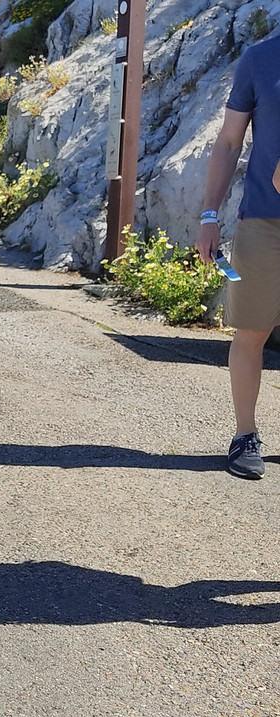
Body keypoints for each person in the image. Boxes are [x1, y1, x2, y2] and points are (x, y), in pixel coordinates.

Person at [194, 33, 280, 480]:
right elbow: (229, 142)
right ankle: (245, 435)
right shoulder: (260, 59)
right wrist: (210, 215)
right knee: (251, 332)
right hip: (264, 222)